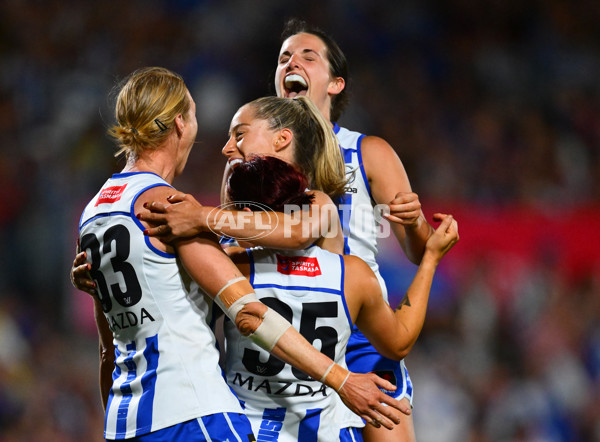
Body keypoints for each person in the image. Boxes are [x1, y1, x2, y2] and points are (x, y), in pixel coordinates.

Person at [133, 19, 435, 441]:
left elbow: (305, 231)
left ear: (335, 83)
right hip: (270, 319)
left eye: (308, 56)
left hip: (357, 323)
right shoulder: (244, 163)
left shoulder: (366, 153)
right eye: (283, 57)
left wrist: (417, 224)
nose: (292, 61)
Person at [75, 67, 407, 441]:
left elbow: (296, 230)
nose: (224, 147)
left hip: (141, 418)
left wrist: (204, 217)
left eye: (239, 135)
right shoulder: (177, 213)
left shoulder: (97, 212)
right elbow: (246, 312)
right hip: (200, 412)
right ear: (181, 124)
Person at [218, 155, 459, 441]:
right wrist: (430, 258)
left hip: (243, 429)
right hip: (325, 431)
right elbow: (399, 342)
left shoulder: (228, 267)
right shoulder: (351, 274)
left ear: (245, 214)